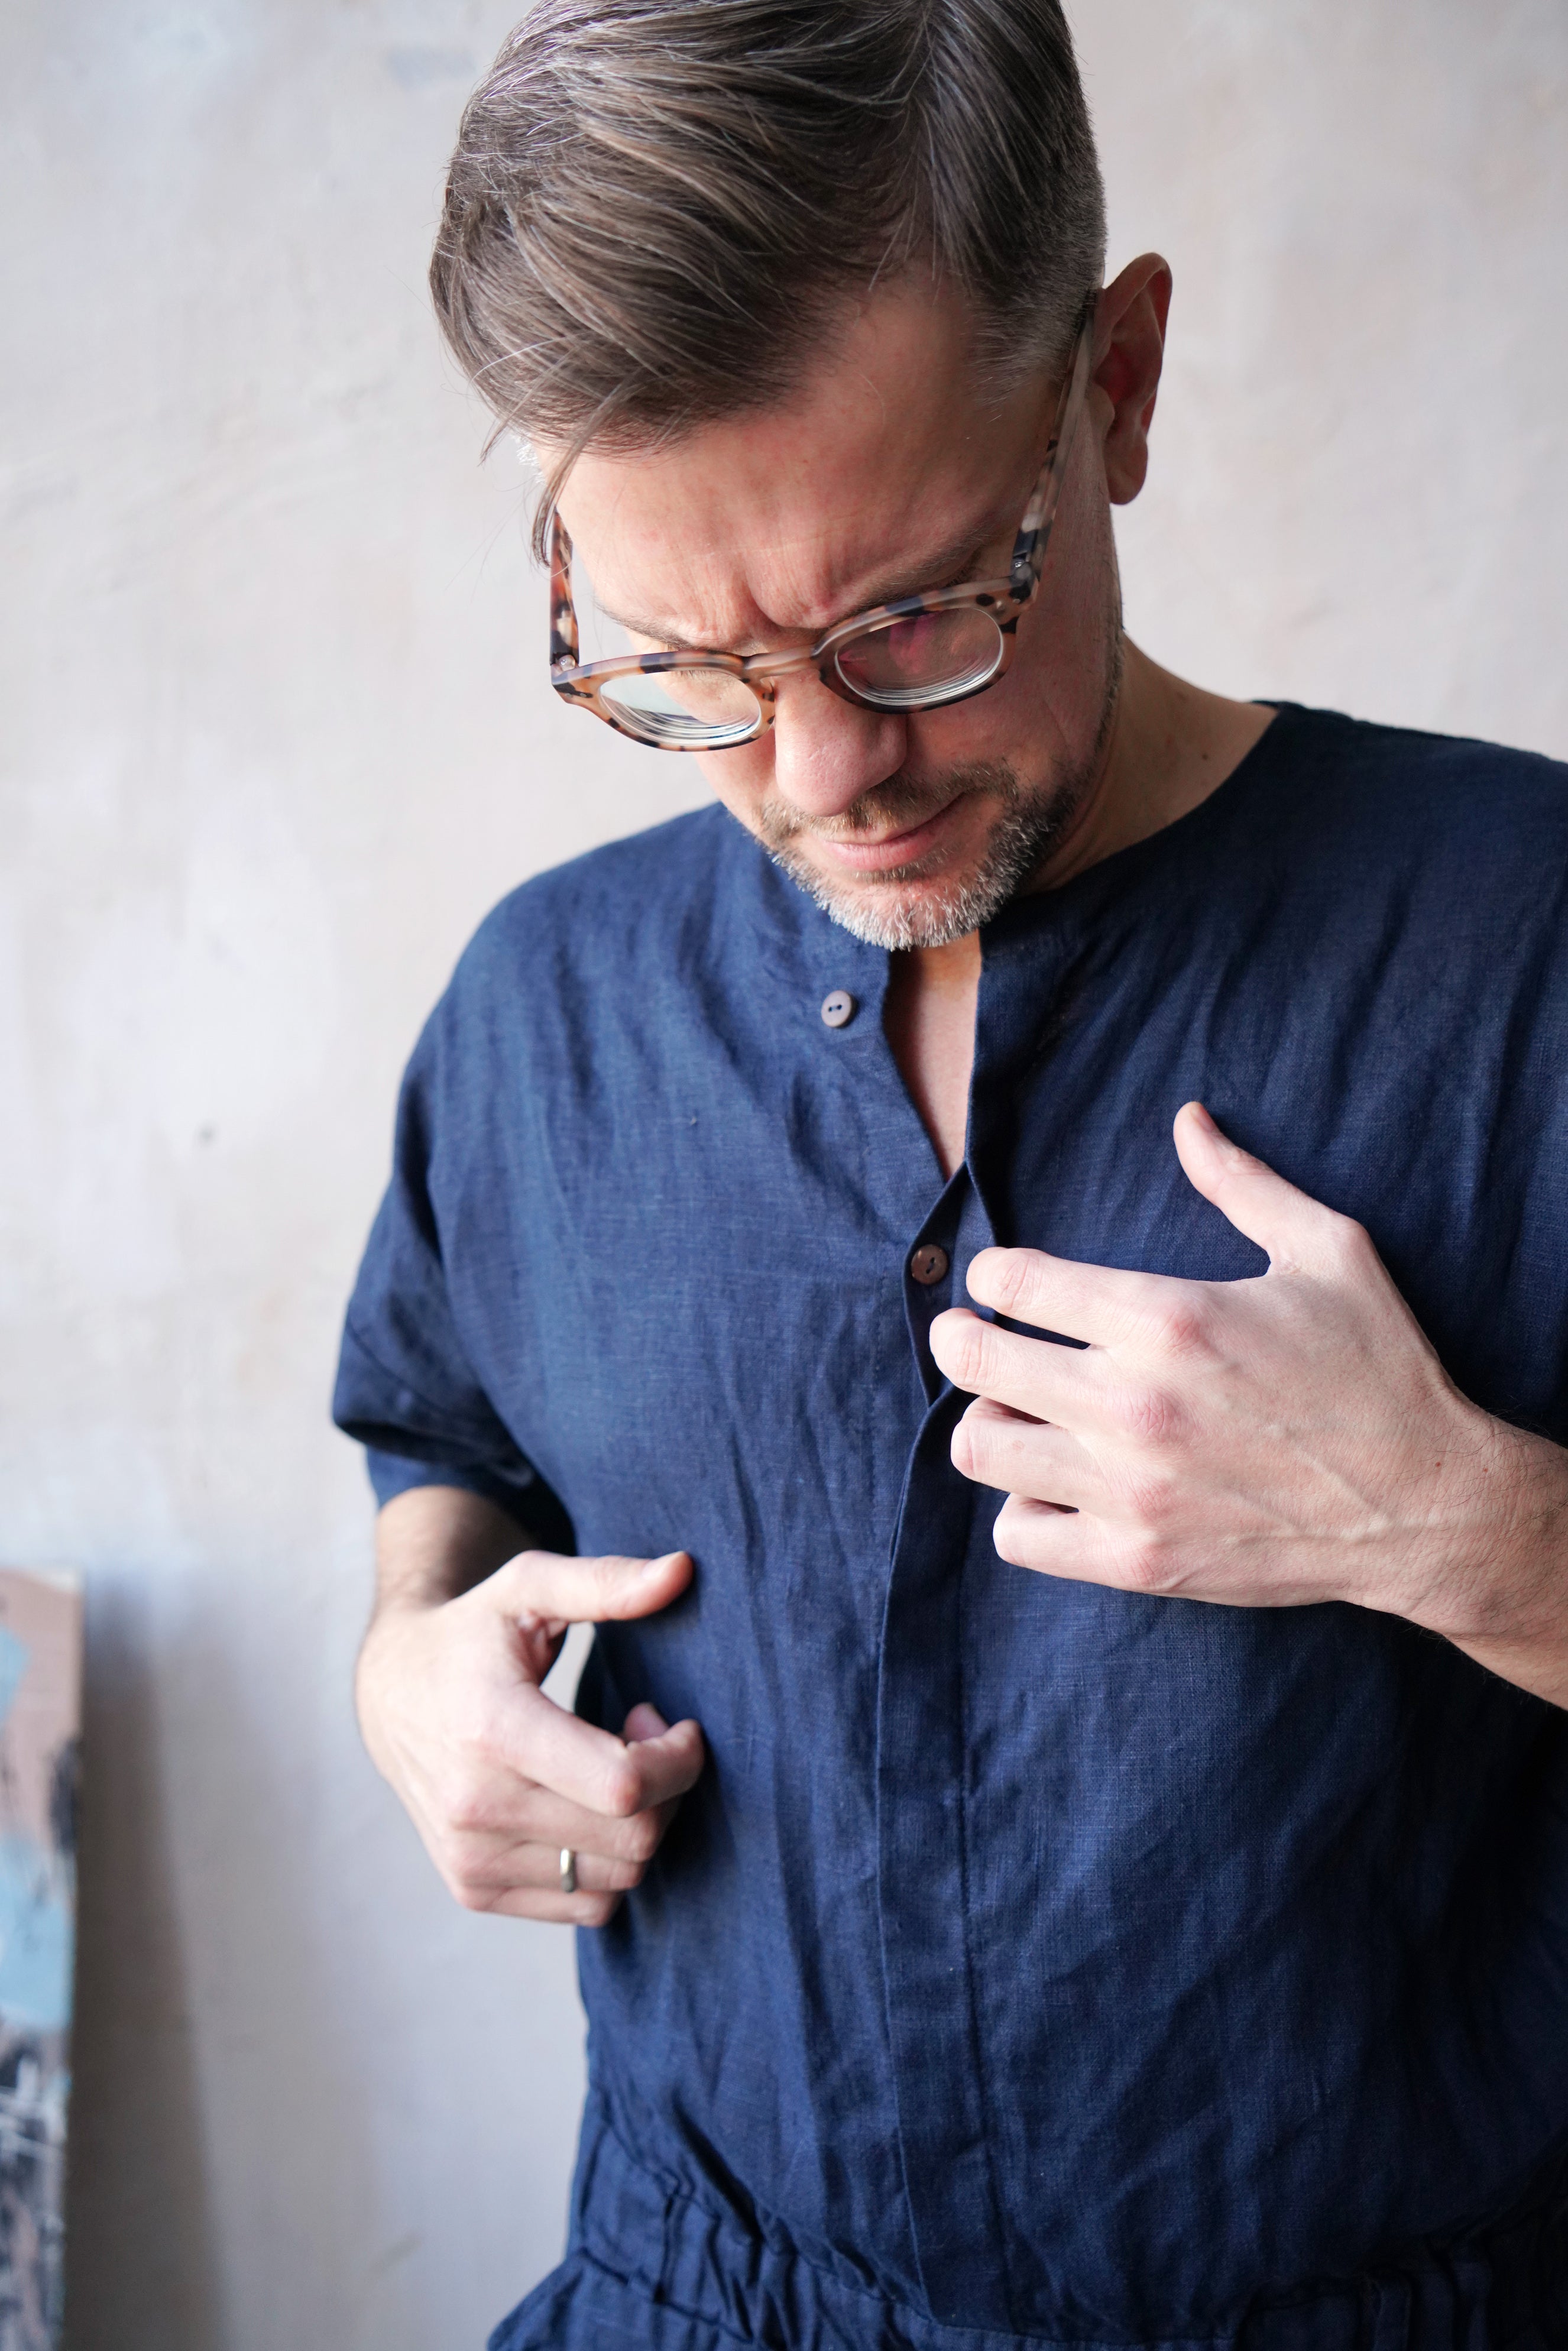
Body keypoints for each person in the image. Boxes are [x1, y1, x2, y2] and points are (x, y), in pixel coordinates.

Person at [333, 4, 1568, 2344]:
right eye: (687, 664)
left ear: (1115, 385)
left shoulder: (1527, 943)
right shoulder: (540, 1010)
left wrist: (1476, 1535)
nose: (817, 774)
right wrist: (411, 1666)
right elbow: (451, 1436)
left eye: (909, 615)